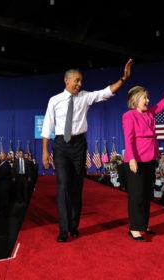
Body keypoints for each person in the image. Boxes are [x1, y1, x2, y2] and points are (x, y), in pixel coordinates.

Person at [41, 59, 133, 242]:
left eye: (81, 81)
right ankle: (63, 229)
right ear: (66, 81)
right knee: (62, 186)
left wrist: (123, 79)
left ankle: (74, 226)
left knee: (76, 186)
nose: (80, 84)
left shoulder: (85, 96)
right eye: (76, 80)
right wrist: (44, 151)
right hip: (60, 146)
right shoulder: (54, 100)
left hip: (79, 146)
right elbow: (47, 126)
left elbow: (105, 92)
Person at [122, 75, 164, 241]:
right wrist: (131, 158)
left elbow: (162, 104)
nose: (147, 100)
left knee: (147, 194)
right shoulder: (129, 115)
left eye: (147, 97)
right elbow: (129, 138)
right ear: (135, 99)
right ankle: (134, 228)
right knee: (136, 195)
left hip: (149, 159)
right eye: (144, 97)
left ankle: (143, 224)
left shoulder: (149, 114)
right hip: (136, 160)